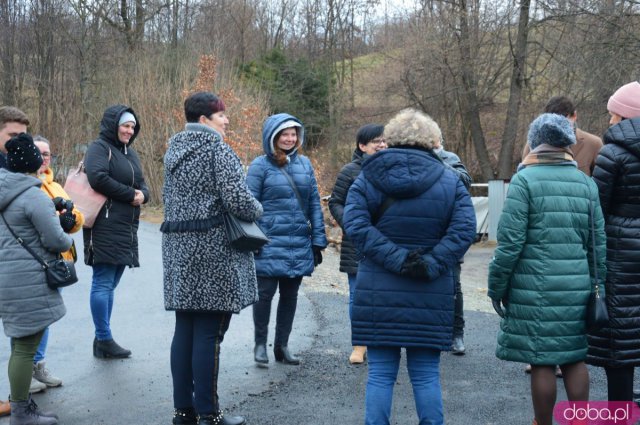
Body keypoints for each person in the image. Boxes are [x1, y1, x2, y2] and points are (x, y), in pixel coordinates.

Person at [343, 108, 477, 425]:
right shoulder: (450, 181)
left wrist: (396, 260)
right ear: (432, 142)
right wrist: (427, 264)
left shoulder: (368, 178)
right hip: (430, 291)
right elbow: (463, 232)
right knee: (426, 376)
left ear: (390, 140)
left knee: (380, 375)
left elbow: (356, 227)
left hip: (378, 290)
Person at [489, 113, 606, 425]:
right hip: (577, 287)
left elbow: (510, 245)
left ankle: (542, 422)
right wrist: (599, 285)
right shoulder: (586, 184)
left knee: (542, 360)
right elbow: (598, 245)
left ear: (535, 142)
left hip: (534, 290)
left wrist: (496, 287)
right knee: (574, 356)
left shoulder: (524, 182)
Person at [162, 92, 261, 425]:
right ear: (204, 120)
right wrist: (260, 208)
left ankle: (183, 412)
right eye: (222, 116)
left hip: (179, 249)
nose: (227, 120)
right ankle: (209, 414)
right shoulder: (218, 149)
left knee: (185, 330)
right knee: (208, 334)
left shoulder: (172, 150)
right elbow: (240, 201)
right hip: (213, 251)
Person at [0, 133, 73, 425]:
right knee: (25, 346)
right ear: (33, 164)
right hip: (27, 280)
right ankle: (20, 412)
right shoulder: (34, 196)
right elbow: (56, 241)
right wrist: (64, 229)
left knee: (20, 343)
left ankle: (22, 406)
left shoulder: (5, 192)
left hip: (7, 277)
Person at [247, 113, 327, 368]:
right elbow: (248, 205)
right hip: (267, 242)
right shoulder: (260, 166)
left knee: (290, 296)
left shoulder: (305, 165)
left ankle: (282, 346)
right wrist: (254, 240)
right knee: (264, 295)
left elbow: (314, 203)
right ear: (273, 137)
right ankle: (260, 344)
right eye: (284, 134)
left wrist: (318, 240)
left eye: (293, 134)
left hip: (298, 242)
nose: (290, 139)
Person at [587, 81, 640, 402]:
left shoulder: (612, 154)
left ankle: (619, 412)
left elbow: (597, 210)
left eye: (614, 115)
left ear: (627, 117)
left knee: (620, 338)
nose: (609, 122)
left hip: (619, 254)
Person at [84, 105, 149, 359]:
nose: (129, 130)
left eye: (132, 126)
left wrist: (143, 195)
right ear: (113, 125)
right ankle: (103, 338)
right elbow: (97, 178)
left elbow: (143, 184)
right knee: (102, 282)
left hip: (126, 228)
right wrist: (131, 194)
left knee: (111, 284)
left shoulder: (130, 154)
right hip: (105, 224)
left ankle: (102, 338)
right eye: (125, 125)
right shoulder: (99, 148)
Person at [26, 136, 85, 391]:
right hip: (35, 260)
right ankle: (24, 371)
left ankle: (38, 366)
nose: (44, 158)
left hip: (58, 262)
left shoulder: (55, 185)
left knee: (46, 318)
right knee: (32, 318)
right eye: (39, 153)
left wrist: (72, 220)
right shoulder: (25, 186)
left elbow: (77, 215)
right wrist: (53, 218)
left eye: (48, 153)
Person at [328, 123, 386, 365]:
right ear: (362, 146)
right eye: (376, 142)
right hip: (357, 243)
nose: (382, 145)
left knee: (385, 296)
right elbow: (336, 202)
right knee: (358, 296)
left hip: (387, 242)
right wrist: (352, 224)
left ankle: (382, 343)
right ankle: (359, 345)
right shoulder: (350, 171)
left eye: (385, 141)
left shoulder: (394, 169)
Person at [0, 106, 30, 418]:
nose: (17, 142)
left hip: (11, 263)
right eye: (11, 135)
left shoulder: (18, 164)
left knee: (17, 333)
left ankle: (16, 395)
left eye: (23, 136)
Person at [432, 136, 472, 355]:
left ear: (439, 139)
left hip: (449, 234)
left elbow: (466, 181)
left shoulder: (450, 158)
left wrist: (438, 162)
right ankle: (433, 333)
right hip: (427, 231)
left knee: (453, 286)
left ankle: (457, 334)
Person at [522, 95, 602, 176]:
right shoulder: (532, 145)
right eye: (553, 122)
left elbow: (600, 182)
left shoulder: (593, 144)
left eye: (563, 121)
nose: (558, 127)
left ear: (574, 116)